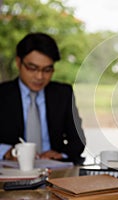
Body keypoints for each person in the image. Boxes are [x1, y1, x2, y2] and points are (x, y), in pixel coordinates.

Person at [0, 33, 86, 165]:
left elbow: (78, 140)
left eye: (47, 70)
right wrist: (7, 152)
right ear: (18, 62)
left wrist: (60, 155)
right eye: (32, 68)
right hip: (12, 170)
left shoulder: (63, 93)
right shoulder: (3, 94)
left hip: (53, 170)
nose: (39, 76)